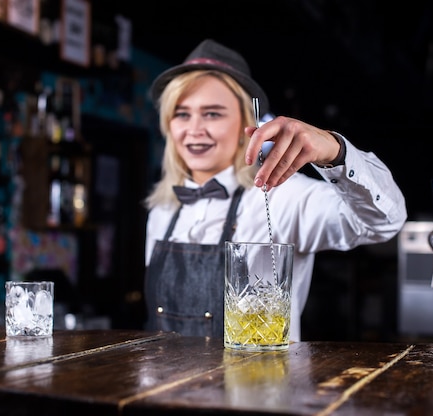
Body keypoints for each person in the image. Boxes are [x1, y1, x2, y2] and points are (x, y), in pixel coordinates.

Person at [144, 38, 407, 341]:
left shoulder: (284, 196)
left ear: (246, 123)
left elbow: (385, 222)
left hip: (255, 386)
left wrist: (336, 152)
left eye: (212, 113)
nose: (194, 129)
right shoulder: (162, 209)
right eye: (181, 113)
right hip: (166, 387)